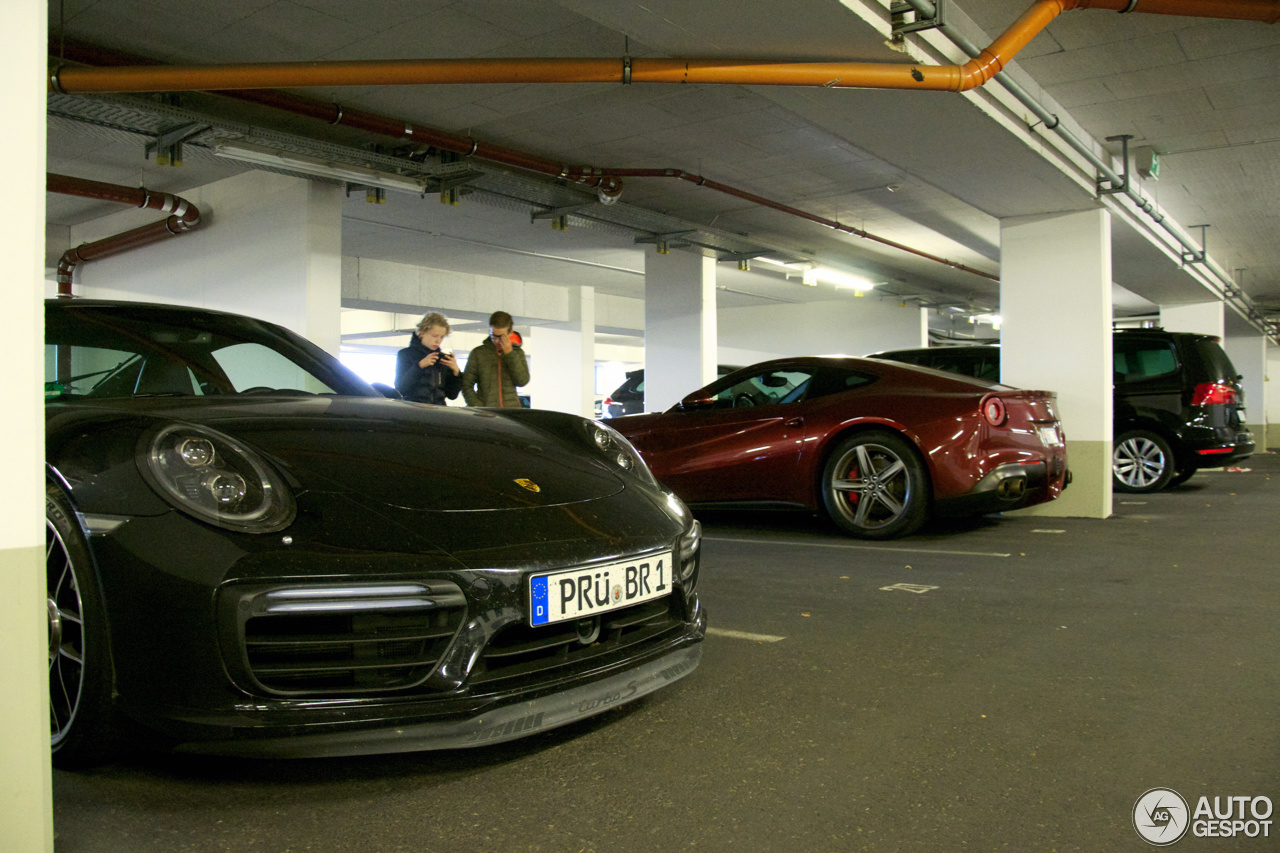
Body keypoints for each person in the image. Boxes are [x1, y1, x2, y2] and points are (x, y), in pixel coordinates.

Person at [461, 310, 529, 407]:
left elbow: (522, 381)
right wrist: (478, 407)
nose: (497, 341)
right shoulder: (478, 353)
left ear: (510, 333)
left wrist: (510, 354)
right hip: (485, 413)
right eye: (493, 335)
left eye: (501, 337)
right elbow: (466, 385)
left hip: (510, 412)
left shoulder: (517, 353)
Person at [395, 312, 462, 405]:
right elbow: (401, 389)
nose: (438, 340)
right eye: (434, 336)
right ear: (422, 333)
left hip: (439, 413)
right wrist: (419, 366)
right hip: (413, 410)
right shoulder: (406, 354)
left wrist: (456, 373)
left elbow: (452, 395)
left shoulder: (443, 359)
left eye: (442, 336)